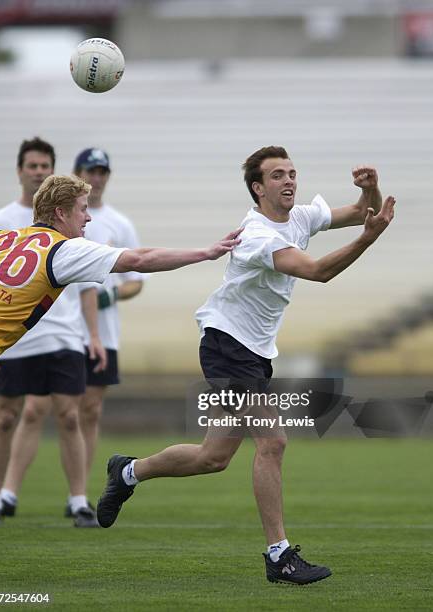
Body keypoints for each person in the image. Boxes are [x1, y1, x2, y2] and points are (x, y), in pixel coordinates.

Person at [96, 146, 396, 586]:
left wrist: (371, 189)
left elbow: (359, 211)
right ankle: (279, 556)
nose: (289, 181)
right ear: (258, 188)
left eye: (292, 173)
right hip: (226, 346)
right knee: (272, 442)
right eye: (277, 176)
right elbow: (317, 271)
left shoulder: (299, 217)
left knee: (212, 457)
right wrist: (367, 239)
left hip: (253, 351)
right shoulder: (257, 235)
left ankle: (127, 471)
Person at [0, 173, 242, 526]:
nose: (88, 217)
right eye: (82, 209)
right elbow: (139, 259)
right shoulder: (63, 250)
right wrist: (206, 252)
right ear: (61, 213)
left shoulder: (3, 237)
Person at [0, 137, 106, 528]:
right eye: (32, 165)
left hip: (63, 334)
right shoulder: (1, 221)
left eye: (45, 166)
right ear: (21, 171)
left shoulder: (74, 220)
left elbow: (88, 285)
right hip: (16, 337)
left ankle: (78, 500)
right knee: (7, 415)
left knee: (70, 416)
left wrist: (92, 334)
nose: (38, 171)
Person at [72, 148, 144, 494]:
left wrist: (113, 295)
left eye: (102, 172)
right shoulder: (65, 219)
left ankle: (81, 492)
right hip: (67, 330)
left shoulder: (120, 222)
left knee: (89, 410)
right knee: (50, 411)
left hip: (105, 332)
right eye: (90, 171)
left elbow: (136, 280)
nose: (97, 178)